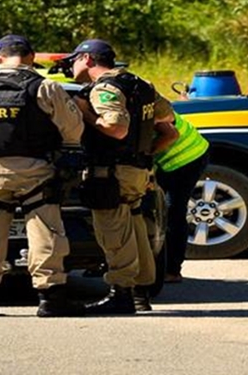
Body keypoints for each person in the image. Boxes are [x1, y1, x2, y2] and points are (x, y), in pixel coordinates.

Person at [0, 34, 86, 317]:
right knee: (45, 229)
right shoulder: (45, 87)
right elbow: (73, 129)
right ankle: (51, 298)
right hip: (36, 171)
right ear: (31, 57)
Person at [64, 39, 175, 314]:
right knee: (135, 228)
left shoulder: (104, 88)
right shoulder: (140, 85)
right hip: (137, 170)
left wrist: (85, 113)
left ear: (88, 60)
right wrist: (143, 154)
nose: (71, 65)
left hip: (111, 172)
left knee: (113, 231)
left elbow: (116, 128)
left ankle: (121, 293)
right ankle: (139, 294)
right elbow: (170, 127)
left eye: (74, 59)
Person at [152, 111, 209, 283]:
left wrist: (147, 154)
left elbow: (171, 134)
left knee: (172, 212)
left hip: (188, 157)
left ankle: (172, 270)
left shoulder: (131, 101)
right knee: (167, 212)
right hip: (179, 156)